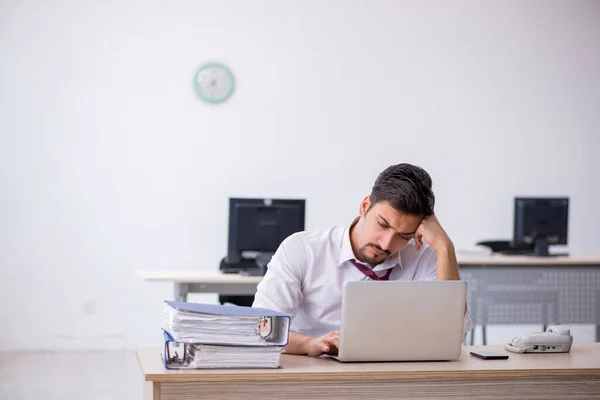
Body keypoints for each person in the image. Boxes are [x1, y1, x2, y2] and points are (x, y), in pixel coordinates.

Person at [252, 163, 472, 356]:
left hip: (393, 377)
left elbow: (452, 336)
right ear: (365, 206)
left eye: (404, 236)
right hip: (314, 373)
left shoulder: (424, 256)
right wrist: (311, 344)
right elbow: (262, 328)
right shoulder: (303, 249)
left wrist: (445, 247)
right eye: (383, 225)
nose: (386, 244)